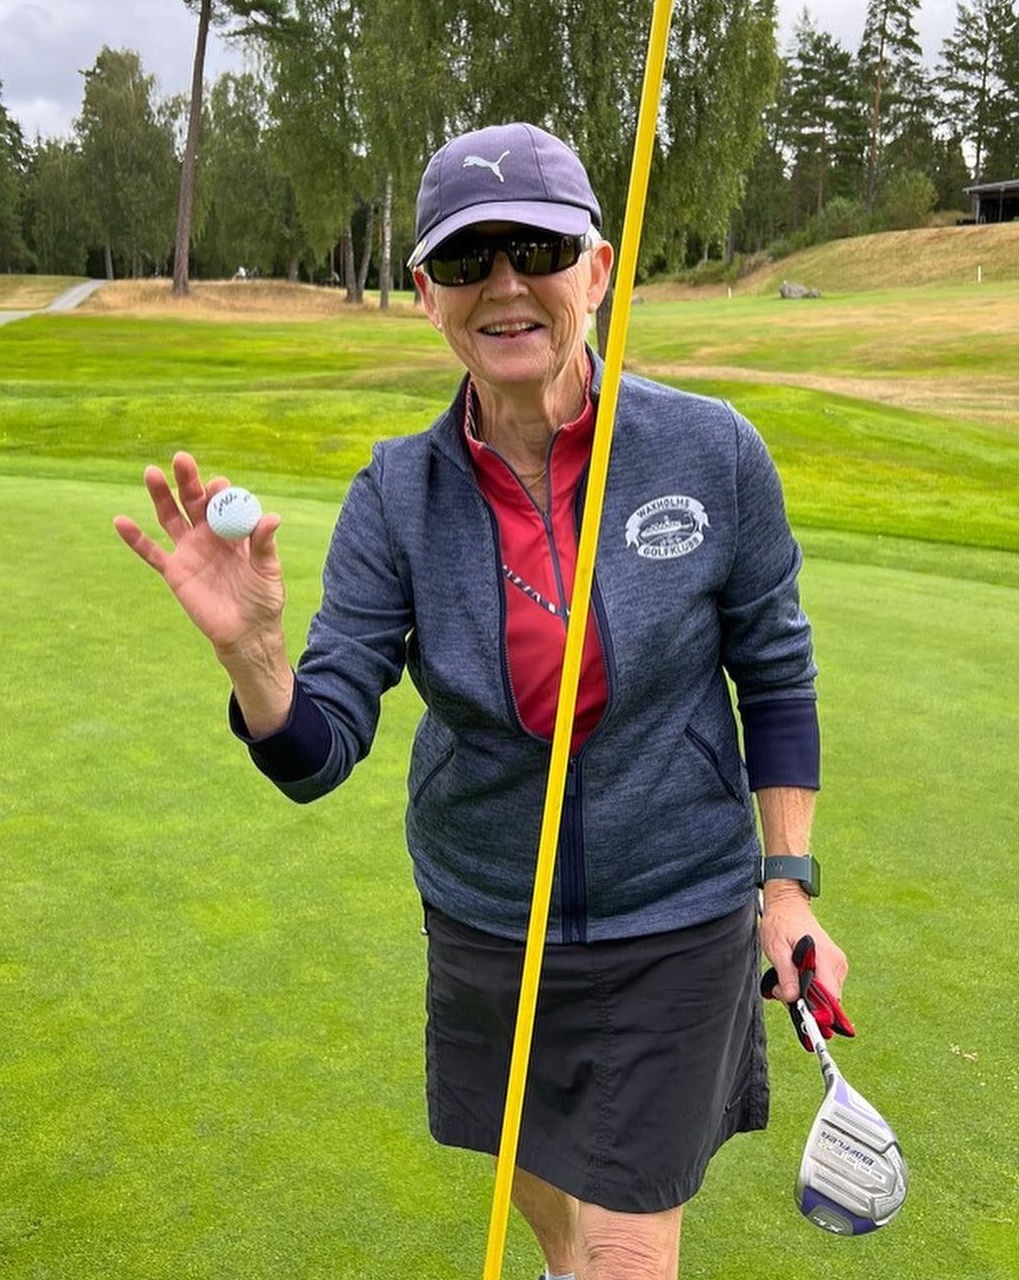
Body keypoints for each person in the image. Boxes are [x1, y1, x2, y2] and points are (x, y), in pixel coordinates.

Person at [115, 121, 849, 1280]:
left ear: (595, 270)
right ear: (426, 294)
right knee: (536, 1171)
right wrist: (255, 658)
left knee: (626, 1240)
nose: (504, 285)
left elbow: (773, 669)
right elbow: (316, 751)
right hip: (486, 910)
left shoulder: (711, 453)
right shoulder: (396, 494)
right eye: (466, 261)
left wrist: (788, 881)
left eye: (537, 249)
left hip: (676, 906)